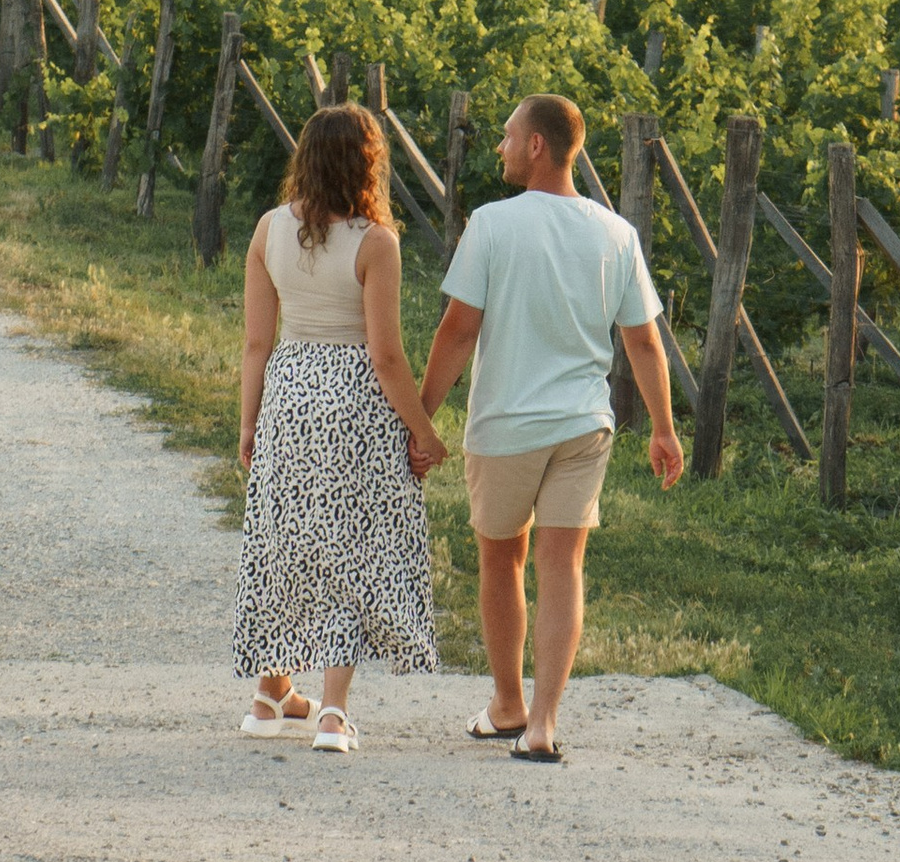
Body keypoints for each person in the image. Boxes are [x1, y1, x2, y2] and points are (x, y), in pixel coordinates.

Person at [419, 90, 683, 762]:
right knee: (563, 564)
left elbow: (458, 330)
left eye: (508, 137)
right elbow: (644, 343)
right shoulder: (615, 233)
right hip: (583, 426)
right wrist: (663, 427)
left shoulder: (491, 225)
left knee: (502, 559)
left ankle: (506, 704)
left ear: (537, 146)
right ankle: (543, 724)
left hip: (506, 424)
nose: (501, 148)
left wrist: (419, 415)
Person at [231, 102, 444, 755]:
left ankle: (271, 695)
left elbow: (255, 343)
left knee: (285, 541)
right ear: (368, 164)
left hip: (288, 397)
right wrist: (423, 431)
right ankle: (332, 712)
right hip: (354, 404)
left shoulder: (269, 230)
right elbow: (385, 355)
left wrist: (249, 425)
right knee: (349, 550)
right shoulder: (375, 243)